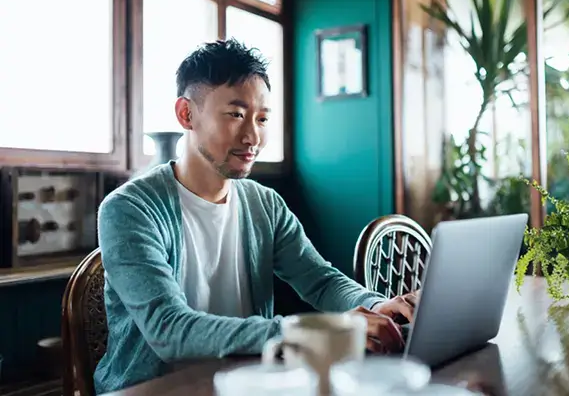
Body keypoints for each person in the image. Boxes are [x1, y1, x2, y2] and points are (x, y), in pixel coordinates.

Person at [94, 39, 418, 393]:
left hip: (250, 385)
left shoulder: (265, 205)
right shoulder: (128, 209)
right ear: (187, 114)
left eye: (261, 119)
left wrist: (375, 305)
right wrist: (308, 332)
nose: (252, 136)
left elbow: (320, 281)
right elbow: (168, 329)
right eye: (235, 115)